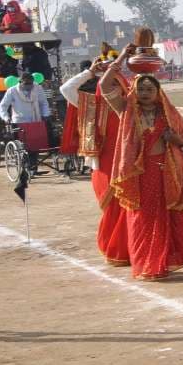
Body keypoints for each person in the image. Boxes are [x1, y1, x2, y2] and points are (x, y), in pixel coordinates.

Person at [98, 49, 183, 281]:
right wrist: (120, 59)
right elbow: (104, 84)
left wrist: (175, 139)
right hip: (143, 173)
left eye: (150, 89)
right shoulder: (127, 110)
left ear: (158, 92)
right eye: (140, 89)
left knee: (181, 217)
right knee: (146, 220)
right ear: (134, 91)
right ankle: (149, 265)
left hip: (173, 171)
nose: (145, 93)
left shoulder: (168, 113)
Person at [60, 56, 131, 265]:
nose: (113, 88)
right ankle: (114, 249)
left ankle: (129, 250)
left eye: (116, 84)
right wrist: (89, 72)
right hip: (103, 166)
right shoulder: (92, 104)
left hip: (128, 162)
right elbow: (66, 89)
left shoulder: (129, 105)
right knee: (112, 209)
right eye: (109, 84)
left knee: (129, 206)